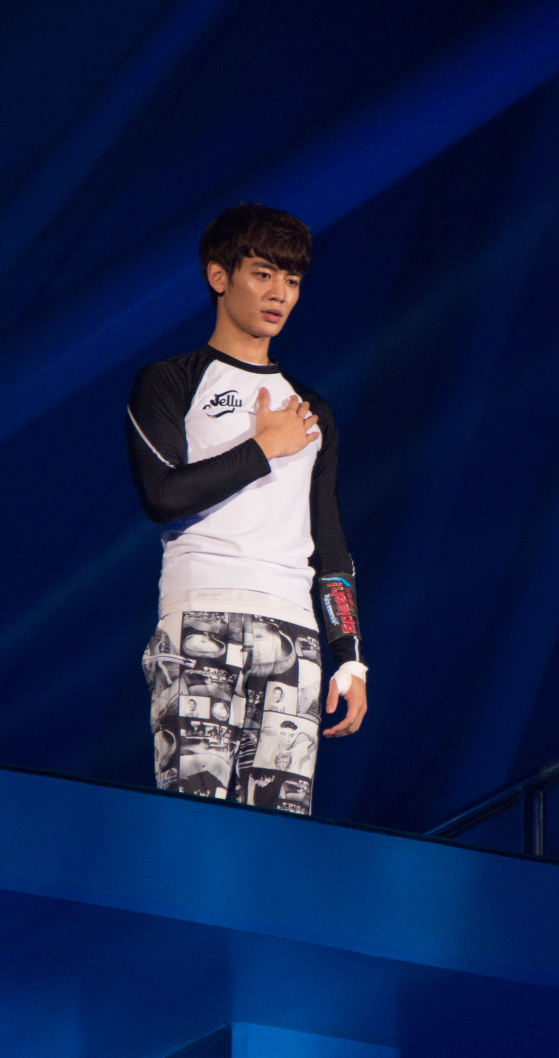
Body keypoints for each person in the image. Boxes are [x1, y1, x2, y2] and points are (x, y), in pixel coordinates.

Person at [127, 202, 367, 814]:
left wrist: (350, 658)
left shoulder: (311, 409)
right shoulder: (170, 381)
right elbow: (162, 496)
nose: (279, 293)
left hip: (294, 635)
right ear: (219, 276)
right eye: (262, 274)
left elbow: (329, 541)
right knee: (193, 823)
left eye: (292, 280)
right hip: (199, 622)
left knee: (278, 836)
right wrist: (263, 448)